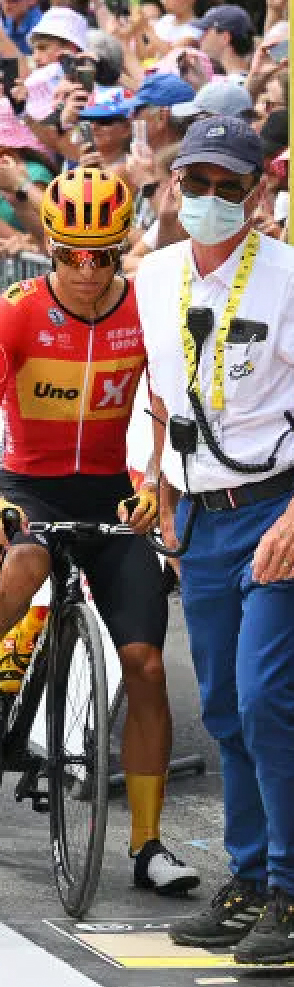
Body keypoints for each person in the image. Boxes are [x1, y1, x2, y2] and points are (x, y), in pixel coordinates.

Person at [0, 166, 199, 900]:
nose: (86, 272)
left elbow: (166, 409)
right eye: (69, 255)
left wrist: (157, 485)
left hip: (107, 492)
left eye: (102, 255)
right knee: (22, 566)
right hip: (27, 485)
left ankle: (148, 844)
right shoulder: (19, 311)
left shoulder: (145, 313)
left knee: (147, 666)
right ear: (50, 247)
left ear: (121, 245)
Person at [137, 116, 294, 963]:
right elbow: (164, 395)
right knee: (228, 708)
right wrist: (158, 484)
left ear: (259, 193)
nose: (206, 199)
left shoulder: (287, 276)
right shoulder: (154, 276)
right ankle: (248, 878)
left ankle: (290, 889)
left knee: (269, 698)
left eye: (226, 186)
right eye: (193, 183)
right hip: (200, 516)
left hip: (278, 510)